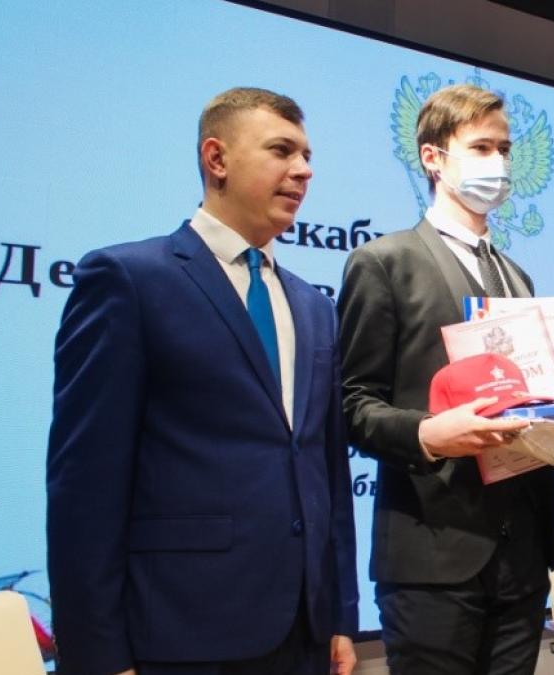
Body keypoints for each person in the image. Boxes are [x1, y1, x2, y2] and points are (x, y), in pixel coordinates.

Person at [46, 87, 358, 675]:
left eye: (307, 155)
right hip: (180, 635)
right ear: (217, 159)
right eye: (281, 150)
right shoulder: (128, 279)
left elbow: (326, 469)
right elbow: (85, 485)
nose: (303, 170)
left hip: (305, 633)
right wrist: (96, 654)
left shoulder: (314, 307)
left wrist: (340, 612)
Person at [338, 83, 554, 674]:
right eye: (481, 147)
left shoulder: (517, 277)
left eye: (504, 149)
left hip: (521, 556)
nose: (498, 162)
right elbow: (352, 405)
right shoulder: (384, 262)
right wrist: (429, 434)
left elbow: (514, 396)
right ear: (433, 157)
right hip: (431, 555)